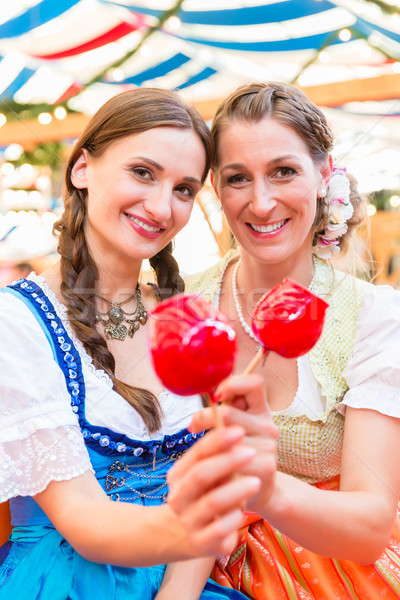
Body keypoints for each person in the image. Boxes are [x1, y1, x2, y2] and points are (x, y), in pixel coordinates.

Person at [0, 87, 277, 600]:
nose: (160, 206)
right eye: (143, 173)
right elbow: (85, 522)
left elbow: (216, 487)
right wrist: (205, 521)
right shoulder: (15, 323)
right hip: (67, 580)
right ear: (82, 168)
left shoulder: (187, 314)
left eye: (184, 189)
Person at [185, 82, 400, 599]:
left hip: (337, 575)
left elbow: (371, 524)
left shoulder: (372, 316)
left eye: (284, 171)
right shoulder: (181, 305)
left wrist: (262, 493)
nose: (261, 203)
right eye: (239, 178)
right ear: (216, 187)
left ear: (325, 174)